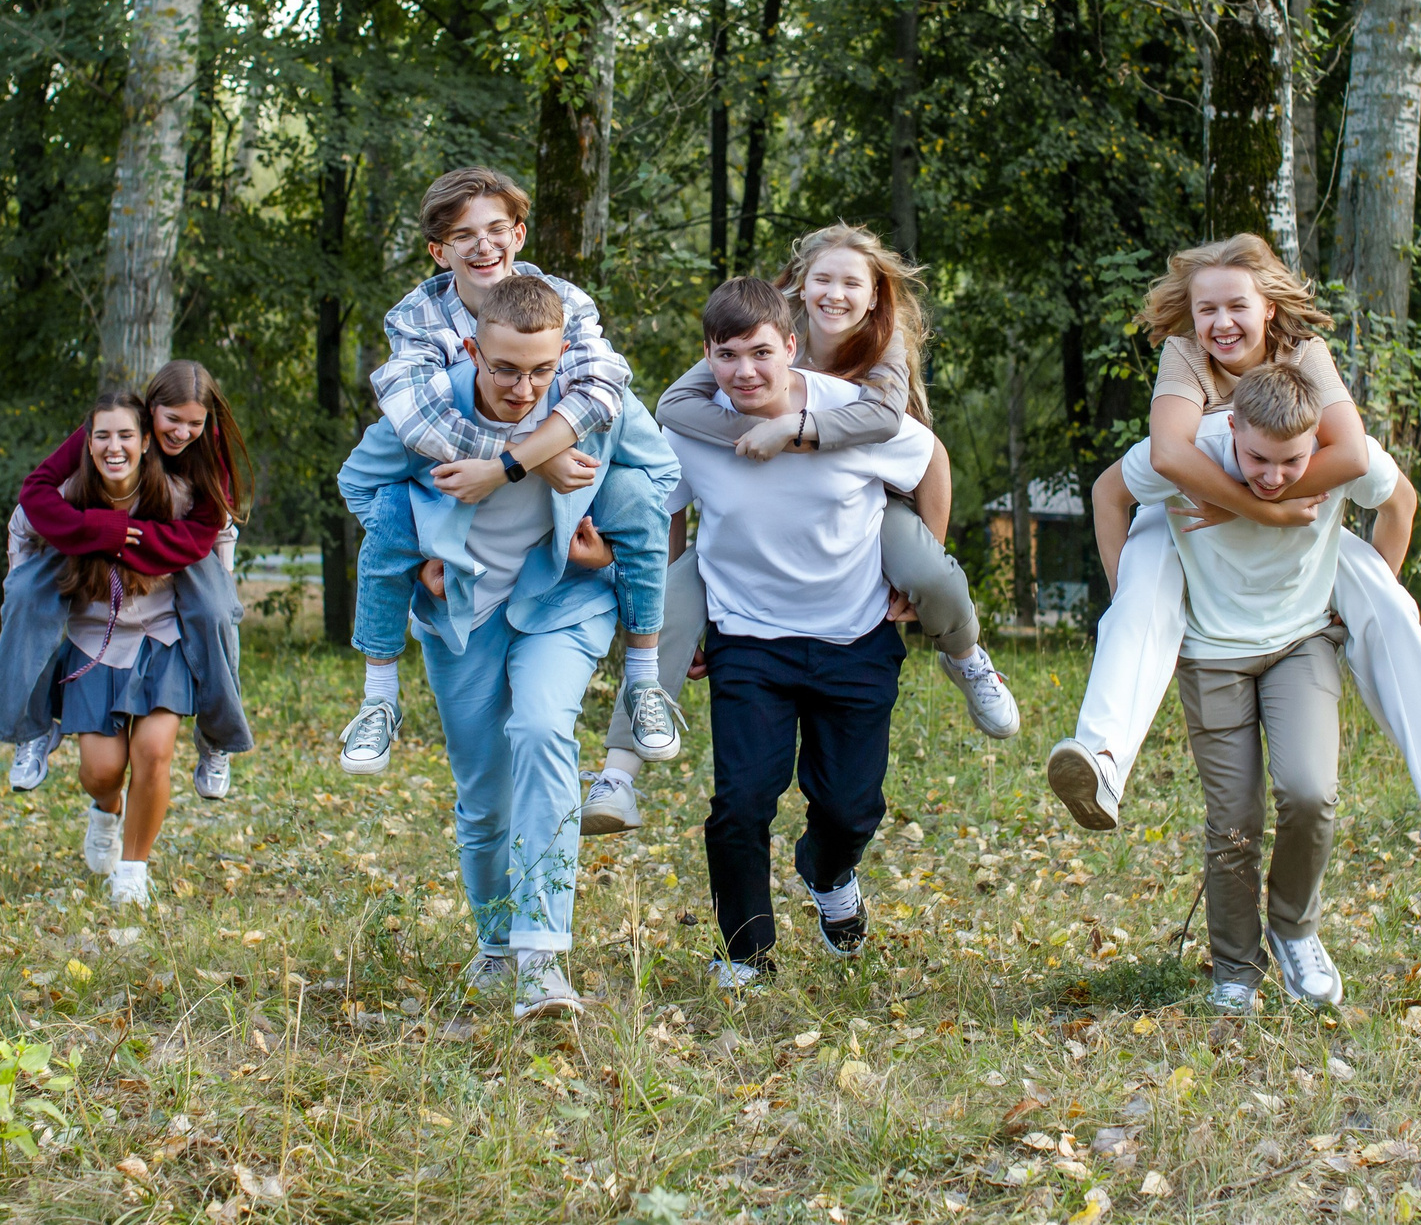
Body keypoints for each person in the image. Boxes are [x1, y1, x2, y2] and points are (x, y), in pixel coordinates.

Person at [1044, 234, 1421, 861]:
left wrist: (1337, 596)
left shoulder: (1306, 354)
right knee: (1142, 586)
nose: (1221, 323)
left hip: (1306, 522)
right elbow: (1167, 456)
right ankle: (1104, 760)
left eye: (1237, 306)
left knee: (1387, 598)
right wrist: (1242, 518)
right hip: (1190, 520)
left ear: (1268, 305)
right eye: (1206, 309)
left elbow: (1353, 456)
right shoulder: (1185, 355)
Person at [584, 226, 1017, 836]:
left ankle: (968, 658)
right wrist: (722, 442)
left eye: (851, 283)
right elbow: (678, 407)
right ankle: (618, 773)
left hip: (875, 503)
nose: (835, 295)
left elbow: (908, 439)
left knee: (926, 572)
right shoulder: (756, 339)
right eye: (823, 280)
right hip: (756, 517)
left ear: (874, 296)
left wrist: (793, 432)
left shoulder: (881, 347)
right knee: (667, 603)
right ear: (797, 287)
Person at [336, 275, 677, 1017]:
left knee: (543, 726)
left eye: (541, 371)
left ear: (563, 357)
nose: (524, 389)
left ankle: (543, 961)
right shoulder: (428, 409)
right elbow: (358, 484)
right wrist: (419, 547)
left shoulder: (591, 407)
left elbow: (662, 478)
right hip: (460, 611)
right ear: (471, 350)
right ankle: (496, 943)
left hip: (561, 597)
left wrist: (607, 557)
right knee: (484, 796)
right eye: (505, 369)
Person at [335, 167, 656, 782]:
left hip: (554, 558)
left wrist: (513, 464)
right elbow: (417, 418)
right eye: (463, 235)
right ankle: (379, 695)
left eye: (495, 229)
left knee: (631, 487)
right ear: (439, 251)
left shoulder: (564, 301)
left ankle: (643, 680)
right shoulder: (418, 318)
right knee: (393, 518)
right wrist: (533, 454)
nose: (482, 246)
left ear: (519, 235)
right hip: (463, 554)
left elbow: (601, 388)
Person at [667, 278, 939, 988]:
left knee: (851, 807)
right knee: (741, 801)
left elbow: (930, 461)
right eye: (727, 355)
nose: (746, 370)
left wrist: (927, 566)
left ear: (791, 346)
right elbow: (669, 505)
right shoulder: (693, 426)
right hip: (749, 639)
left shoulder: (852, 412)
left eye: (761, 351)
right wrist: (682, 609)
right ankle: (745, 954)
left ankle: (827, 871)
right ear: (707, 356)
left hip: (855, 632)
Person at [1121, 362, 1405, 1011]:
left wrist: (1370, 600)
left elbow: (1400, 502)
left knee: (1310, 791)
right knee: (1235, 822)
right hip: (1212, 653)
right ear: (1232, 428)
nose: (1274, 477)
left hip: (1301, 644)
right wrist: (1129, 604)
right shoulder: (1195, 448)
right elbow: (1110, 493)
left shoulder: (1343, 454)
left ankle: (1294, 927)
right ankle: (1235, 968)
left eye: (1291, 462)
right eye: (1257, 458)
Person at [0, 390, 248, 907]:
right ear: (88, 442)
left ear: (147, 441)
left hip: (161, 640)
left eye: (125, 435)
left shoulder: (175, 491)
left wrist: (220, 585)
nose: (114, 446)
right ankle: (105, 809)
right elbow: (22, 521)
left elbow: (221, 528)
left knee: (153, 752)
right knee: (101, 772)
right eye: (102, 436)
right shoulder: (69, 495)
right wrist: (22, 579)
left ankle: (133, 870)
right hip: (94, 643)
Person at [7, 361, 255, 800]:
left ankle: (216, 741)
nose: (182, 433)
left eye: (194, 423)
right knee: (27, 596)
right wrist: (99, 530)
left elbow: (205, 530)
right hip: (90, 537)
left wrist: (125, 541)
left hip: (180, 553)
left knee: (218, 612)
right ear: (150, 408)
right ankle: (33, 729)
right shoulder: (118, 430)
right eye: (172, 420)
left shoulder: (207, 447)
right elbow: (36, 491)